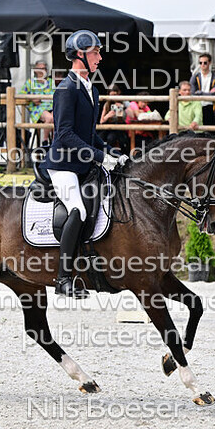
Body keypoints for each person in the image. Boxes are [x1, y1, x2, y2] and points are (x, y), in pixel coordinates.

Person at [39, 30, 126, 298]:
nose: (100, 57)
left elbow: (89, 135)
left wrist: (111, 152)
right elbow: (64, 134)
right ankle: (63, 279)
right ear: (80, 55)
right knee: (77, 209)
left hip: (83, 163)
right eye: (95, 52)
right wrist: (99, 157)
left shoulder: (93, 89)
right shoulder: (66, 89)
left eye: (99, 52)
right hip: (63, 165)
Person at [21, 61, 55, 143]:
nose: (42, 71)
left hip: (51, 106)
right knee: (50, 118)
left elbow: (56, 95)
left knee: (57, 117)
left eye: (43, 69)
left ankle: (55, 142)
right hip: (38, 109)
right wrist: (31, 98)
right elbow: (21, 95)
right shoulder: (30, 82)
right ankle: (45, 140)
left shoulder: (50, 82)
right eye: (39, 69)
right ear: (35, 70)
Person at [189, 53, 215, 126]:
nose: (202, 65)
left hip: (210, 107)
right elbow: (193, 93)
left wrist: (200, 93)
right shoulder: (195, 77)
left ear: (209, 63)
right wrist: (208, 94)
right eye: (200, 63)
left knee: (211, 130)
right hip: (197, 106)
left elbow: (214, 94)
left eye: (205, 63)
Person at [98, 84, 129, 153]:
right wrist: (108, 115)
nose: (113, 97)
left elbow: (127, 118)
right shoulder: (107, 104)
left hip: (119, 127)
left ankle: (115, 155)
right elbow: (101, 121)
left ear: (118, 94)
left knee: (111, 138)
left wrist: (121, 110)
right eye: (111, 95)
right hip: (108, 127)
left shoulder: (124, 102)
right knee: (99, 137)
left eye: (115, 95)